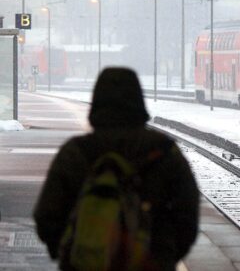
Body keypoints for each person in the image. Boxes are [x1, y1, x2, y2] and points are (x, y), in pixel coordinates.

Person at [34, 67, 200, 271]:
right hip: (151, 263)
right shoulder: (164, 151)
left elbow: (47, 215)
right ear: (139, 101)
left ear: (96, 101)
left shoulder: (75, 152)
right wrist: (165, 255)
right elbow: (188, 214)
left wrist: (68, 253)